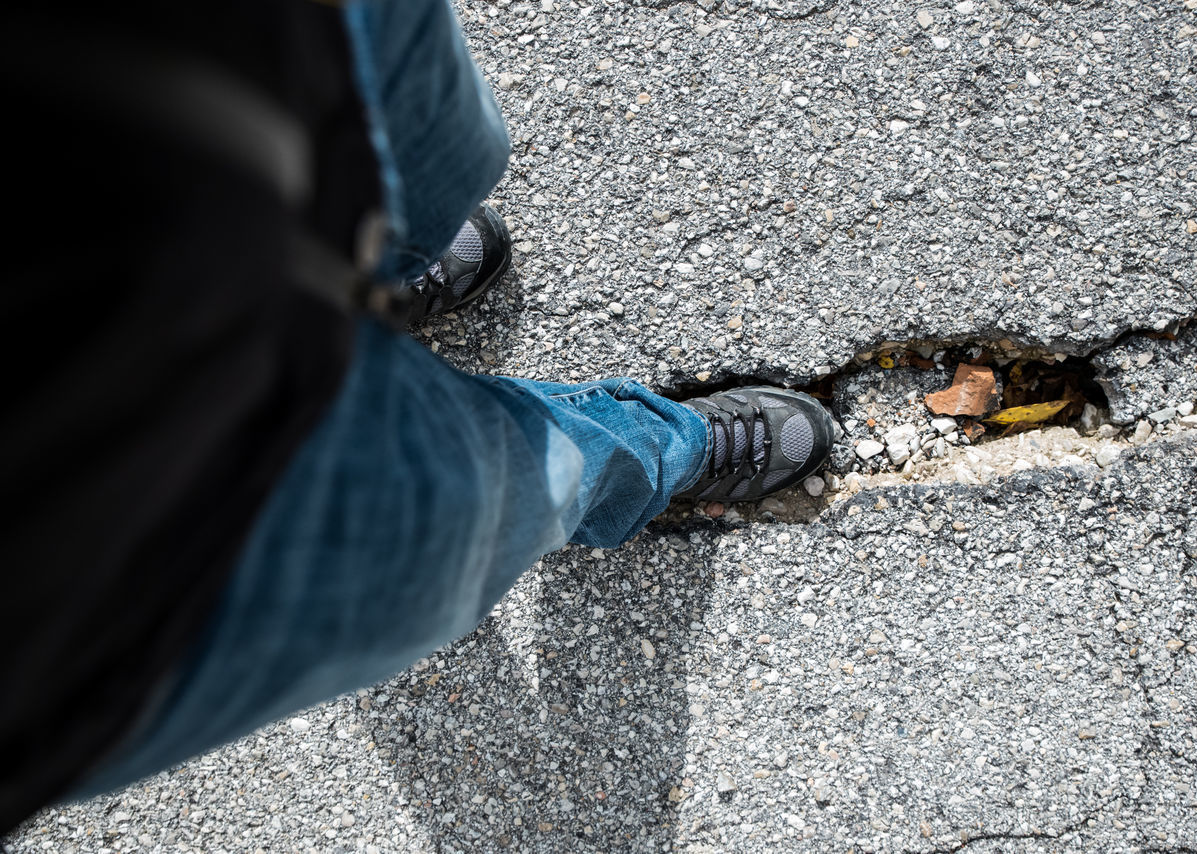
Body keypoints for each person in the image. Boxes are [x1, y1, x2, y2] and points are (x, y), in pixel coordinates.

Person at [0, 0, 833, 835]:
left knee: (447, 151)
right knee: (490, 497)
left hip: (189, 59)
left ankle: (365, 280)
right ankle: (655, 449)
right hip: (104, 570)